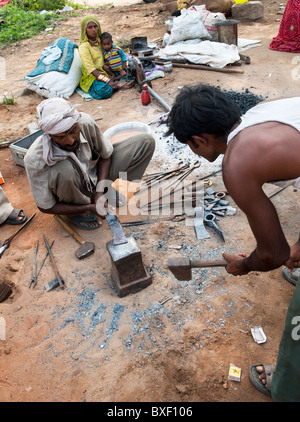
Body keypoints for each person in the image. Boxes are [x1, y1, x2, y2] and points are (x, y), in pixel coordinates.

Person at [166, 83, 300, 402]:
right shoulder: (263, 111)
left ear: (200, 140)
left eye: (191, 146)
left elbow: (274, 253)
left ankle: (288, 388)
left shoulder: (237, 163)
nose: (194, 152)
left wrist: (242, 265)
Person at [24, 98, 155, 230]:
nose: (69, 141)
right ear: (49, 135)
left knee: (145, 142)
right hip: (71, 192)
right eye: (60, 137)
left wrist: (99, 191)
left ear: (77, 122)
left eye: (72, 131)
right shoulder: (35, 158)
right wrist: (89, 207)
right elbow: (45, 206)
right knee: (63, 170)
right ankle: (79, 212)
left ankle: (104, 190)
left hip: (95, 179)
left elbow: (106, 155)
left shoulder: (85, 123)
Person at [78, 15, 130, 100]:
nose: (94, 30)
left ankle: (115, 82)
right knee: (104, 91)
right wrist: (108, 81)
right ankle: (116, 84)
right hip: (93, 76)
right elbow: (91, 69)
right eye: (90, 27)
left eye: (95, 26)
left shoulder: (101, 41)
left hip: (107, 70)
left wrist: (121, 63)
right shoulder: (84, 47)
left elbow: (113, 51)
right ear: (85, 30)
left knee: (129, 71)